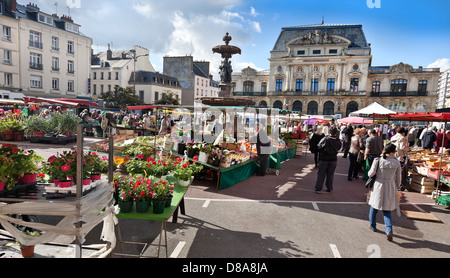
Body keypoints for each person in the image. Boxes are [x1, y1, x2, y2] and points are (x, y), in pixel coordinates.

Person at [368, 143, 402, 241]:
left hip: (379, 184)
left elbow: (371, 174)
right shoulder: (396, 162)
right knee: (387, 209)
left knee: (374, 206)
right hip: (390, 186)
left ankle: (373, 225)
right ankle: (389, 230)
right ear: (392, 152)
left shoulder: (378, 160)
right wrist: (397, 186)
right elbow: (399, 178)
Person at [314, 126, 342, 193]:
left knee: (321, 174)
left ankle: (318, 188)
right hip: (333, 159)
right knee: (330, 174)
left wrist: (323, 151)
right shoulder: (338, 140)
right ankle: (329, 188)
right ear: (336, 133)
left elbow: (319, 146)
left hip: (324, 159)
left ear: (329, 132)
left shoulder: (325, 139)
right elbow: (339, 148)